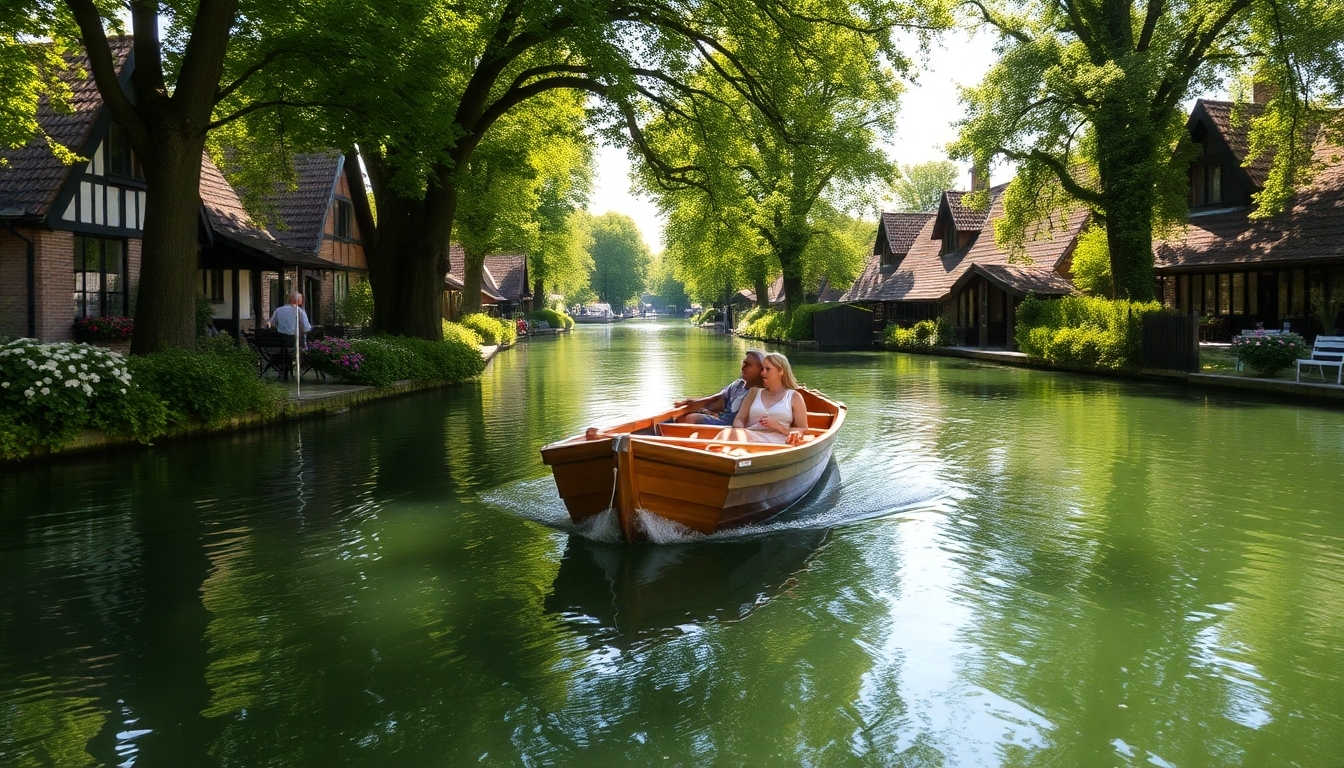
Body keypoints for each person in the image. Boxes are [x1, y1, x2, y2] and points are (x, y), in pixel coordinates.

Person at [715, 352, 809, 445]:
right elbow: (739, 419)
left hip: (780, 442)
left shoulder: (794, 397)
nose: (763, 373)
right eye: (762, 369)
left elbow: (804, 429)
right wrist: (741, 431)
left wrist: (779, 427)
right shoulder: (754, 392)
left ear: (780, 371)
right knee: (727, 432)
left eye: (767, 369)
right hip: (750, 437)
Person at [674, 350, 766, 425]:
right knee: (681, 416)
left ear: (760, 369)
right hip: (721, 419)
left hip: (730, 425)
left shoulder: (760, 392)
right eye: (743, 363)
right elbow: (719, 399)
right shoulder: (738, 384)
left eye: (748, 365)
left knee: (692, 418)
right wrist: (692, 404)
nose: (743, 367)